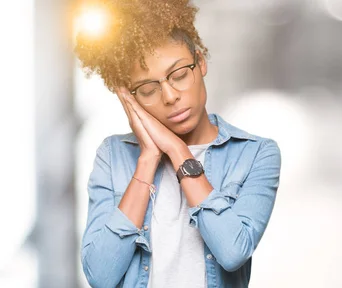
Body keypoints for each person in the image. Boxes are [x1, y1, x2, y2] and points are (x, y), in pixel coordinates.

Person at [75, 1, 281, 287]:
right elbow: (101, 275)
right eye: (148, 89)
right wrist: (147, 159)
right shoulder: (113, 156)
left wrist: (178, 151)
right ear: (130, 99)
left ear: (201, 62)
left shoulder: (255, 154)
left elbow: (233, 252)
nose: (170, 96)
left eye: (180, 75)